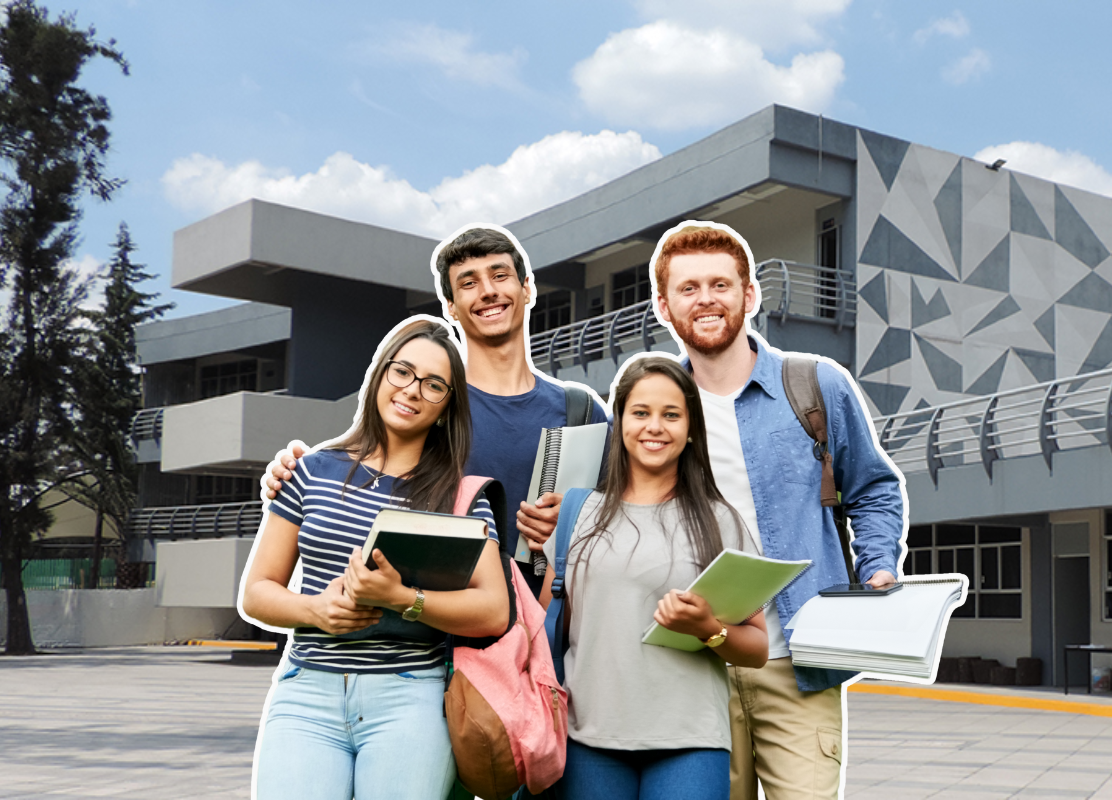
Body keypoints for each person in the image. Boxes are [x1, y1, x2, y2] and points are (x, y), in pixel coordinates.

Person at [650, 223, 905, 800]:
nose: (706, 299)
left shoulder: (815, 384)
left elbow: (873, 489)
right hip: (695, 667)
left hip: (799, 661)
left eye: (721, 283)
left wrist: (878, 565)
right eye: (688, 289)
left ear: (750, 294)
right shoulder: (655, 409)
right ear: (664, 306)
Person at [240, 318, 510, 800]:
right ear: (380, 375)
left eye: (433, 385)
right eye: (402, 372)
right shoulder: (312, 471)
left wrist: (404, 599)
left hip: (410, 698)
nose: (412, 391)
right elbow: (257, 592)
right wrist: (315, 612)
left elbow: (493, 610)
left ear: (448, 406)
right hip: (306, 693)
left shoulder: (461, 496)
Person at [265, 225, 608, 598]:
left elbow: (630, 514)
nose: (488, 291)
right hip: (442, 637)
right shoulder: (429, 406)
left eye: (499, 275)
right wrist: (296, 473)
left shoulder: (582, 411)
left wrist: (577, 519)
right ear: (451, 308)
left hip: (555, 634)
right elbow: (364, 474)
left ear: (527, 288)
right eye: (468, 283)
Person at [541, 355, 768, 800]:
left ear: (690, 428)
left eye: (671, 415)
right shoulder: (576, 513)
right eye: (640, 412)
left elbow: (757, 648)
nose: (655, 427)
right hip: (587, 737)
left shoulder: (719, 520)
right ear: (620, 418)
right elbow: (548, 626)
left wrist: (710, 629)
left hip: (691, 741)